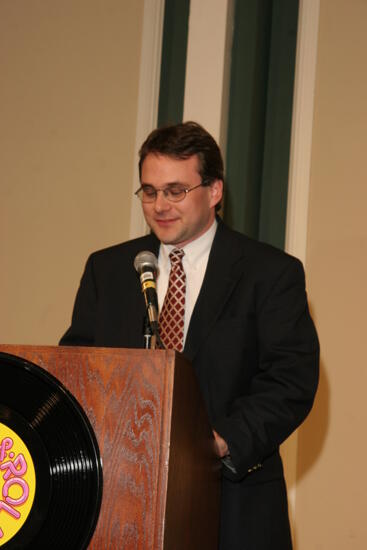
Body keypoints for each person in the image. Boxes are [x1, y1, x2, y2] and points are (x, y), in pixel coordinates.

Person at [60, 121, 319, 549]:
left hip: (234, 506)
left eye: (175, 190)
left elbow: (291, 379)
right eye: (149, 191)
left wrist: (221, 442)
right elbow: (79, 369)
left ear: (214, 191)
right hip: (123, 506)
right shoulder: (107, 270)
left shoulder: (270, 273)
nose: (160, 205)